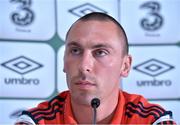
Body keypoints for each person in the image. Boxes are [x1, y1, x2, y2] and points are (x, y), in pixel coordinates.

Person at [15, 12, 176, 124]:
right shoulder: (37, 121)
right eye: (75, 51)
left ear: (125, 66)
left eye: (100, 52)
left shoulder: (151, 120)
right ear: (64, 62)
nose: (84, 66)